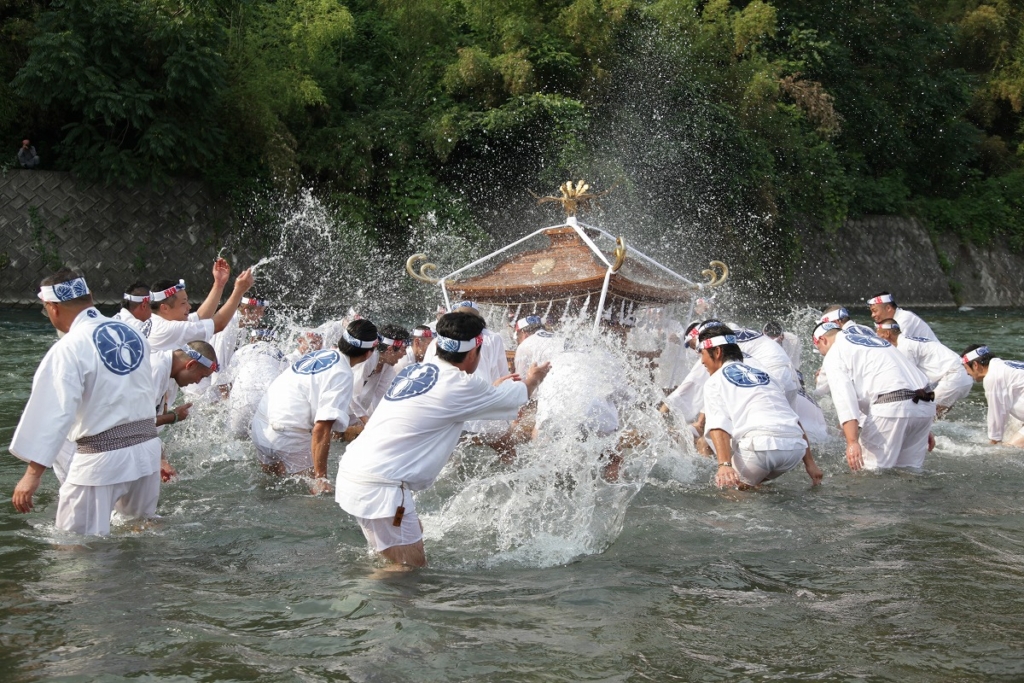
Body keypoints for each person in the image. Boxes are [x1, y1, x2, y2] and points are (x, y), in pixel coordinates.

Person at [335, 311, 550, 567]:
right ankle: (351, 602)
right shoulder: (462, 385)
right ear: (473, 353)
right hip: (380, 488)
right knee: (407, 570)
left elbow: (450, 399)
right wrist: (534, 378)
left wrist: (491, 389)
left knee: (407, 548)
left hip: (357, 473)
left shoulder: (417, 371)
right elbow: (520, 395)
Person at [10, 270, 161, 535]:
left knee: (73, 548)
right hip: (147, 452)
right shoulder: (132, 333)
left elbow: (54, 411)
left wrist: (32, 474)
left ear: (52, 308)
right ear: (90, 296)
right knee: (137, 533)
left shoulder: (69, 347)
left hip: (102, 459)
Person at [697, 324, 822, 488]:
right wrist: (810, 463)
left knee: (728, 491)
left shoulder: (715, 381)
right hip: (794, 450)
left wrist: (724, 465)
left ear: (718, 352)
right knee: (751, 485)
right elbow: (791, 417)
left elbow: (718, 425)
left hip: (761, 449)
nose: (701, 361)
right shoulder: (766, 374)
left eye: (703, 354)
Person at [813, 322, 936, 471]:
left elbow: (844, 398)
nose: (823, 356)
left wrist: (852, 442)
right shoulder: (878, 342)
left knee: (868, 473)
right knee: (910, 473)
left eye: (821, 351)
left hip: (892, 409)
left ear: (822, 340)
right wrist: (919, 423)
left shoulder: (835, 352)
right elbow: (903, 379)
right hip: (924, 407)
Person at [147, 258, 253, 351]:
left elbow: (200, 317)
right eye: (183, 303)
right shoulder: (168, 329)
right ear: (164, 308)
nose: (189, 306)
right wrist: (239, 291)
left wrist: (219, 284)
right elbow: (217, 325)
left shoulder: (155, 320)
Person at [149, 342, 219, 480]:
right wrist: (173, 417)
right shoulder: (156, 368)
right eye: (201, 376)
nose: (198, 382)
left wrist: (161, 460)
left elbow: (149, 429)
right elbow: (135, 424)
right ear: (191, 365)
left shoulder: (172, 377)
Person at [875, 319, 973, 418]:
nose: (877, 337)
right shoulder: (909, 341)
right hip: (964, 375)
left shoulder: (904, 347)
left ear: (887, 333)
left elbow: (907, 379)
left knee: (925, 415)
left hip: (954, 376)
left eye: (878, 334)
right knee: (932, 416)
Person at [227, 330, 288, 439]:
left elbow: (230, 383)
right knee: (267, 440)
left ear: (251, 340)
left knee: (235, 439)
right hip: (266, 401)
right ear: (274, 341)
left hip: (241, 400)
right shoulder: (281, 355)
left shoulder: (240, 352)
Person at [961, 345, 1024, 448]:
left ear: (975, 365)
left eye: (966, 368)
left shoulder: (992, 377)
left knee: (1007, 450)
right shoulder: (1003, 366)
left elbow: (996, 412)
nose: (967, 373)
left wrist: (994, 442)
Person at [867, 292, 936, 340]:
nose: (872, 315)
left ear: (888, 308)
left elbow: (895, 347)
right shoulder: (889, 324)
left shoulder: (905, 318)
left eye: (875, 311)